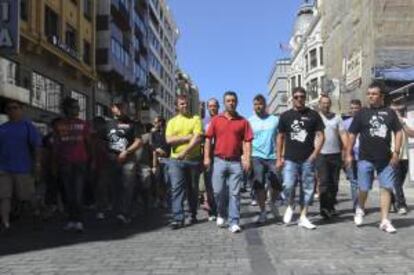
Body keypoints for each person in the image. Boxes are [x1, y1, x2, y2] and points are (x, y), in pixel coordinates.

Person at [346, 81, 403, 233]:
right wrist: (348, 154)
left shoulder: (389, 113)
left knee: (386, 188)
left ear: (381, 96)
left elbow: (398, 132)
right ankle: (360, 208)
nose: (370, 96)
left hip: (386, 159)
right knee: (364, 188)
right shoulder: (362, 113)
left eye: (374, 94)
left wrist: (396, 152)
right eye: (369, 94)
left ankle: (384, 220)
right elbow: (352, 134)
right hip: (365, 158)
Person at [204, 91, 253, 233]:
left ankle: (234, 221)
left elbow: (248, 142)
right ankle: (221, 213)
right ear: (224, 103)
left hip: (236, 162)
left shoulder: (243, 121)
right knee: (218, 192)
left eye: (233, 100)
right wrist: (206, 157)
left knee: (235, 193)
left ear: (237, 102)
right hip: (219, 161)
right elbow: (208, 139)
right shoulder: (216, 120)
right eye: (228, 101)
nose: (231, 103)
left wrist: (247, 159)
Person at [276, 87, 325, 230]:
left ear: (305, 98)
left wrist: (315, 154)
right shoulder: (285, 116)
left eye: (302, 96)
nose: (299, 99)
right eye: (296, 97)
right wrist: (279, 157)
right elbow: (280, 137)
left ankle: (303, 216)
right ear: (292, 98)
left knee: (308, 188)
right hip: (290, 158)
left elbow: (321, 135)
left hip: (307, 158)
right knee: (288, 185)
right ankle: (291, 203)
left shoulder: (313, 115)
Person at [0, 99, 41, 230]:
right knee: (4, 197)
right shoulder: (2, 128)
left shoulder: (27, 126)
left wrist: (37, 163)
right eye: (9, 108)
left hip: (23, 168)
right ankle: (5, 223)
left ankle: (36, 211)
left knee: (27, 196)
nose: (12, 110)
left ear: (21, 110)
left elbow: (37, 146)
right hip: (3, 169)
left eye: (15, 108)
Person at [54, 97, 91, 232]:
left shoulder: (84, 124)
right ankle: (71, 220)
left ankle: (79, 220)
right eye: (74, 107)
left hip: (80, 162)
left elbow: (88, 143)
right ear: (67, 109)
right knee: (68, 194)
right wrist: (55, 162)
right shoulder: (59, 125)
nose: (77, 110)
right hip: (65, 163)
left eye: (77, 107)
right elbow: (57, 145)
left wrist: (90, 160)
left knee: (78, 193)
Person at [166, 95, 203, 229]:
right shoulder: (171, 122)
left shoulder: (196, 119)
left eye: (186, 103)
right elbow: (169, 140)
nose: (185, 106)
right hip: (175, 160)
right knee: (176, 188)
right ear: (176, 106)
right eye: (182, 104)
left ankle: (192, 214)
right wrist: (188, 137)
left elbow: (198, 138)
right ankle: (177, 217)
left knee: (192, 189)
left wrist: (184, 151)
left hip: (193, 160)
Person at [106, 100, 142, 225]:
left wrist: (126, 152)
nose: (120, 109)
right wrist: (107, 154)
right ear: (112, 108)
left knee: (127, 187)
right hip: (112, 160)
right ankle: (117, 212)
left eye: (123, 106)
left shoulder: (133, 124)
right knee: (114, 187)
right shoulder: (108, 124)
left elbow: (138, 141)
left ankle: (124, 213)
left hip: (128, 159)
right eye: (117, 107)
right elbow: (101, 141)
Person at [248, 94, 281, 224]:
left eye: (261, 104)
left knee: (277, 183)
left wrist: (280, 155)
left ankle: (272, 203)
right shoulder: (249, 121)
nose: (258, 106)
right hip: (256, 156)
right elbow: (247, 140)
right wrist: (246, 157)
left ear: (265, 105)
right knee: (259, 185)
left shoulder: (274, 120)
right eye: (256, 104)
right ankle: (263, 211)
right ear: (253, 106)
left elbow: (280, 137)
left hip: (273, 156)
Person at [317, 95, 348, 219]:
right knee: (324, 182)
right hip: (321, 154)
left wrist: (347, 149)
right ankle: (324, 208)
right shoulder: (316, 117)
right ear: (320, 104)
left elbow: (343, 134)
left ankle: (331, 206)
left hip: (335, 154)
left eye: (328, 103)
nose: (326, 105)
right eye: (323, 103)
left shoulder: (337, 118)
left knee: (334, 183)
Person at [390, 102, 409, 215]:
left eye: (397, 110)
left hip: (405, 157)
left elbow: (412, 134)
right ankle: (402, 204)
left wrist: (402, 123)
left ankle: (392, 201)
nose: (395, 112)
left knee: (398, 182)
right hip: (392, 156)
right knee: (396, 182)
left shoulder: (404, 121)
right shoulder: (387, 122)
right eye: (393, 110)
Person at [343, 99, 362, 211]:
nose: (354, 110)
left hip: (364, 156)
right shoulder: (345, 123)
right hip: (351, 155)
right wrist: (345, 156)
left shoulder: (365, 120)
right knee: (354, 181)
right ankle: (357, 206)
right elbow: (343, 141)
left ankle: (361, 203)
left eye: (356, 108)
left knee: (363, 182)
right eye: (352, 108)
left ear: (360, 108)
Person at [202, 98, 220, 221]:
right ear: (208, 108)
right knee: (209, 185)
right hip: (207, 154)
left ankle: (220, 209)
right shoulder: (203, 122)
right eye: (210, 106)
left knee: (220, 185)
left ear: (218, 107)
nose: (212, 108)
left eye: (214, 106)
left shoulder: (222, 119)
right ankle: (212, 210)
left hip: (219, 154)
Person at [90, 116, 110, 220]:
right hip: (95, 164)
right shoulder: (92, 136)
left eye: (96, 124)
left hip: (104, 165)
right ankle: (100, 204)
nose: (95, 126)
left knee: (101, 186)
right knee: (96, 186)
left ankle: (101, 208)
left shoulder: (107, 136)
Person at [150, 116, 170, 209]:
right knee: (157, 180)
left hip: (167, 160)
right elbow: (152, 146)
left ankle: (165, 200)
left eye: (156, 122)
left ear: (161, 122)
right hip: (157, 159)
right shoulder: (153, 133)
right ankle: (158, 199)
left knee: (166, 181)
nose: (155, 124)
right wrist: (154, 165)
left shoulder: (168, 132)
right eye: (154, 122)